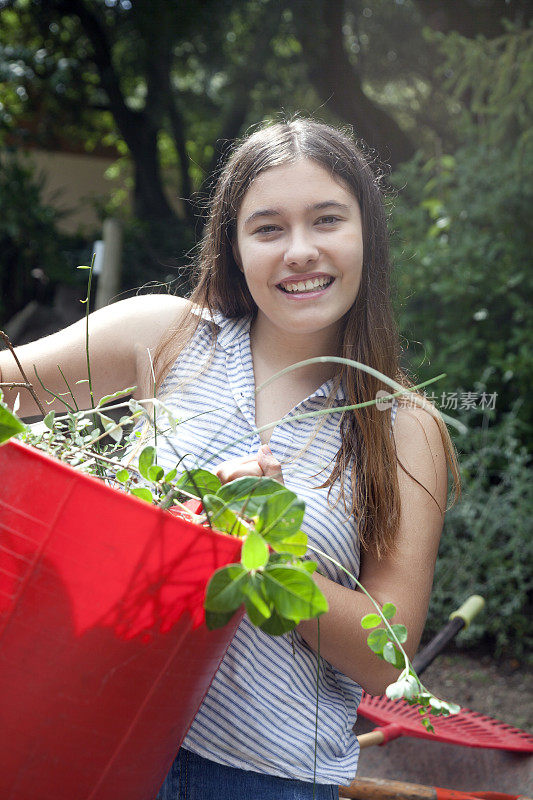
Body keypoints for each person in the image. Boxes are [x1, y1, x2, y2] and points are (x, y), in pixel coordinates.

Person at [0, 118, 459, 799]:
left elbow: (385, 655)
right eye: (268, 228)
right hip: (95, 726)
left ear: (367, 234)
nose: (299, 250)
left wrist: (267, 553)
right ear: (234, 244)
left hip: (261, 777)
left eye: (326, 220)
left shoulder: (402, 426)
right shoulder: (165, 336)